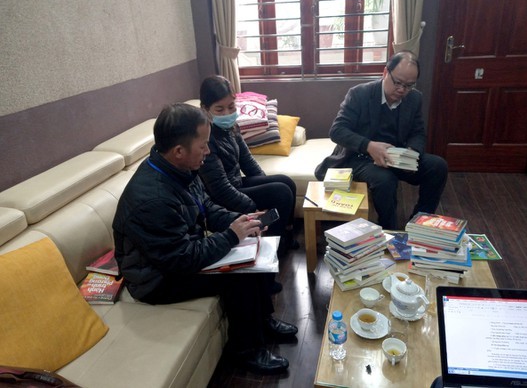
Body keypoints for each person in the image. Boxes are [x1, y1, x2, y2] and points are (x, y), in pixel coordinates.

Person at [112, 103, 297, 374]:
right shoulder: (153, 199)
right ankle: (245, 351)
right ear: (178, 151)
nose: (208, 152)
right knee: (238, 274)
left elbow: (206, 207)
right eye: (203, 146)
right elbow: (182, 259)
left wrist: (241, 222)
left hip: (176, 256)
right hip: (156, 279)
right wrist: (231, 236)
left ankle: (263, 322)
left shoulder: (179, 169)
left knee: (252, 249)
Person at [315, 51, 448, 230]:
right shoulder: (359, 94)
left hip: (396, 156)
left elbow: (418, 132)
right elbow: (337, 131)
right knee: (385, 180)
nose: (402, 90)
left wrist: (412, 153)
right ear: (385, 73)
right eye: (398, 83)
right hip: (361, 157)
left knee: (438, 166)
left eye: (409, 85)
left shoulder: (414, 98)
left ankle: (419, 224)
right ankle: (388, 230)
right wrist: (369, 146)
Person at [198, 75, 299, 255]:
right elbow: (220, 190)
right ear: (205, 109)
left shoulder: (231, 127)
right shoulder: (207, 138)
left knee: (286, 182)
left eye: (231, 107)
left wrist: (264, 183)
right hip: (220, 197)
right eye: (219, 109)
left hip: (236, 185)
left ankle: (285, 234)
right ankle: (272, 250)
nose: (227, 114)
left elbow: (248, 161)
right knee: (280, 192)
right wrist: (253, 209)